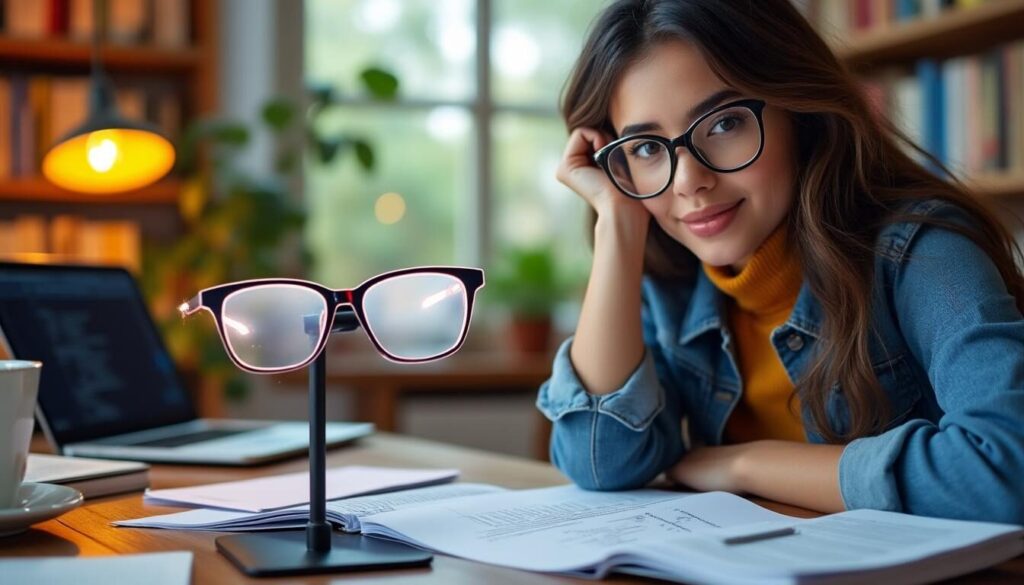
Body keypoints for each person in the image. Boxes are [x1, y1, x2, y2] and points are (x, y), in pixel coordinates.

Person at [537, 0, 1024, 524]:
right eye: (646, 148)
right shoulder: (672, 283)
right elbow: (599, 461)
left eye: (724, 124)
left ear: (799, 113)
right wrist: (616, 223)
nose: (687, 181)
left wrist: (750, 465)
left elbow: (1005, 469)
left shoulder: (919, 251)